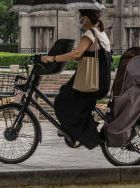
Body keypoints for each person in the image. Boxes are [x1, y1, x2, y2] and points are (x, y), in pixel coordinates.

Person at [42, 9, 111, 149]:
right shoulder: (100, 32)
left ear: (85, 18)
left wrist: (52, 58)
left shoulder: (90, 33)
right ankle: (77, 132)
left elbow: (77, 54)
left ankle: (81, 135)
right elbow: (81, 55)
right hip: (100, 81)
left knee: (62, 100)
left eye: (79, 17)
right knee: (65, 91)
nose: (78, 20)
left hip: (91, 82)